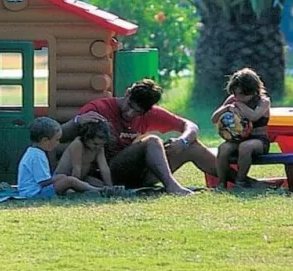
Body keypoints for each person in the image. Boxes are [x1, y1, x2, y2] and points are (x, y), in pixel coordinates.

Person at [66, 79, 215, 196]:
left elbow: (190, 126)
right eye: (130, 106)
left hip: (138, 173)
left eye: (138, 112)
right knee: (152, 141)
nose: (130, 113)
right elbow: (60, 134)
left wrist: (183, 141)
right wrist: (77, 121)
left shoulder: (151, 113)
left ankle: (228, 180)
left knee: (191, 146)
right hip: (106, 173)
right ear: (127, 93)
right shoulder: (99, 108)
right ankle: (172, 186)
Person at [211, 68, 271, 189]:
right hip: (236, 139)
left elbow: (253, 116)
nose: (238, 97)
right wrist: (226, 108)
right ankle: (221, 183)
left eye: (242, 94)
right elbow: (214, 119)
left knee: (245, 147)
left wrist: (239, 105)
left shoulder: (263, 102)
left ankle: (241, 181)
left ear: (253, 91)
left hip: (258, 140)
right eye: (235, 94)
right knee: (223, 148)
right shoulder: (232, 100)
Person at [18, 117, 106, 198]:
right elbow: (43, 182)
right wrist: (57, 178)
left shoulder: (34, 152)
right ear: (45, 140)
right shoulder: (37, 156)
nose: (58, 143)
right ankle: (99, 190)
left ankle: (79, 194)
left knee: (65, 180)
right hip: (34, 193)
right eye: (57, 140)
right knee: (70, 180)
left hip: (35, 191)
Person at [53, 117, 115, 190]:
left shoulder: (99, 147)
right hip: (64, 177)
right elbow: (76, 168)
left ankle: (109, 190)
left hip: (82, 178)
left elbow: (104, 167)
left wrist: (110, 185)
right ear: (86, 138)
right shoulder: (78, 144)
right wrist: (76, 187)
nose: (98, 147)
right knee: (71, 188)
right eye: (95, 144)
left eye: (102, 144)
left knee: (100, 184)